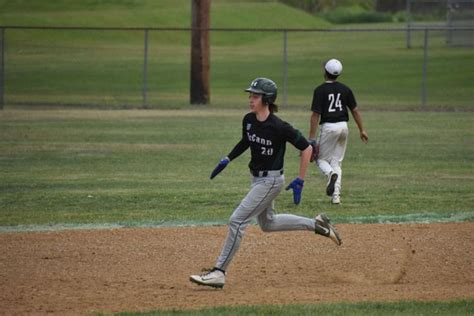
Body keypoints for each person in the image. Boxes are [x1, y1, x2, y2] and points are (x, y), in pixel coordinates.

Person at [189, 77, 342, 289]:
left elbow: (307, 148)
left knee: (237, 221)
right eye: (250, 95)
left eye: (255, 96)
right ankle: (317, 225)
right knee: (268, 223)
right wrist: (228, 158)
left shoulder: (279, 126)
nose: (250, 99)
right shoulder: (249, 120)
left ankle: (219, 272)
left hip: (270, 181)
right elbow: (246, 141)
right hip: (256, 179)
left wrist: (300, 179)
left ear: (267, 99)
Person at [308, 59, 369, 205]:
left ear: (325, 72)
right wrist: (362, 130)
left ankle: (330, 174)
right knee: (336, 162)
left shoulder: (320, 90)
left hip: (329, 127)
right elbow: (355, 110)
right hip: (344, 127)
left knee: (320, 159)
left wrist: (311, 137)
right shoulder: (345, 89)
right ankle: (336, 197)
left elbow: (315, 115)